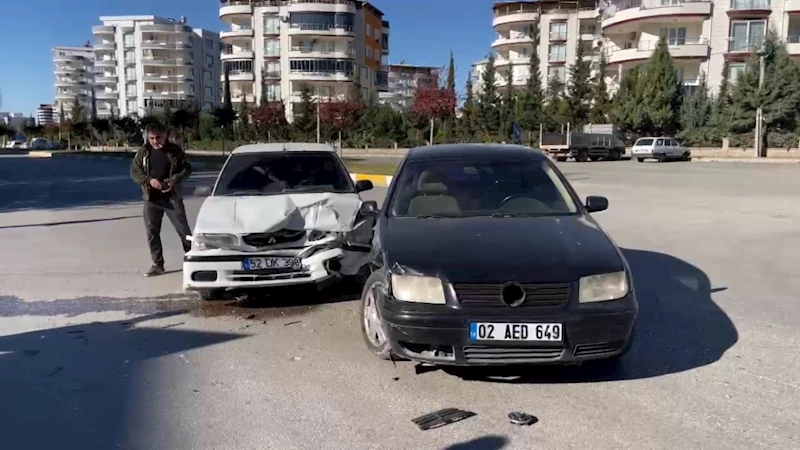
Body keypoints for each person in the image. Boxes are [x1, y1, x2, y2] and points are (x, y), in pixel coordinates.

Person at [130, 124, 193, 277]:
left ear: (165, 136)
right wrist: (149, 180)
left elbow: (187, 169)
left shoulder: (174, 150)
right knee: (152, 232)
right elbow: (135, 171)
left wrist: (175, 179)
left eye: (158, 137)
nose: (155, 141)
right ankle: (157, 264)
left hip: (172, 198)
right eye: (151, 138)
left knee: (183, 231)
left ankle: (193, 260)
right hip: (152, 198)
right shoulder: (144, 152)